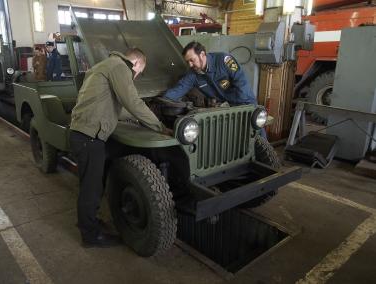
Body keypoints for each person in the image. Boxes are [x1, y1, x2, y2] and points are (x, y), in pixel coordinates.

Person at [69, 48, 168, 248]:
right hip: (89, 137)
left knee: (91, 184)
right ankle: (91, 236)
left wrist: (136, 119)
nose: (137, 76)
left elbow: (115, 108)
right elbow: (132, 101)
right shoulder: (121, 68)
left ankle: (89, 223)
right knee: (91, 189)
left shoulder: (105, 65)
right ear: (138, 63)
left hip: (83, 134)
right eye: (141, 71)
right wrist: (159, 126)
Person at [164, 41, 256, 106]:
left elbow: (241, 83)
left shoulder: (224, 60)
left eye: (192, 60)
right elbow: (179, 89)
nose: (190, 65)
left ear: (202, 54)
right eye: (188, 62)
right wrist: (163, 100)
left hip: (245, 104)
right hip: (226, 108)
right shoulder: (193, 74)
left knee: (256, 131)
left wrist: (243, 107)